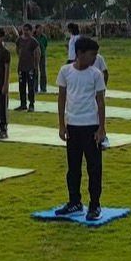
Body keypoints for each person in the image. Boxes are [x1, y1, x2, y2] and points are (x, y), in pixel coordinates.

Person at [56, 37, 107, 221]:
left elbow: (101, 102)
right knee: (73, 168)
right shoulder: (65, 71)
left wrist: (102, 129)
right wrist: (62, 125)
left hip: (91, 126)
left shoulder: (96, 74)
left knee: (94, 167)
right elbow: (61, 98)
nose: (95, 58)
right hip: (73, 127)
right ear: (79, 54)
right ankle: (74, 202)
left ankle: (94, 205)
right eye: (92, 54)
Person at [16, 24, 40, 112]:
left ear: (30, 31)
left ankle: (31, 104)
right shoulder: (19, 40)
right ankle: (23, 104)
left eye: (27, 30)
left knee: (30, 87)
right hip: (21, 67)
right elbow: (17, 50)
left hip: (30, 67)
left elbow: (38, 53)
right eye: (24, 30)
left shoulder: (33, 41)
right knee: (21, 86)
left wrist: (36, 66)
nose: (25, 32)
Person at [34, 24, 50, 93]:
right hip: (34, 56)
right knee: (35, 71)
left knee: (43, 72)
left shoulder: (44, 37)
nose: (41, 30)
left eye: (42, 29)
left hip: (42, 56)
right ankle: (35, 88)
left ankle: (43, 88)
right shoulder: (33, 37)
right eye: (39, 29)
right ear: (36, 29)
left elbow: (45, 45)